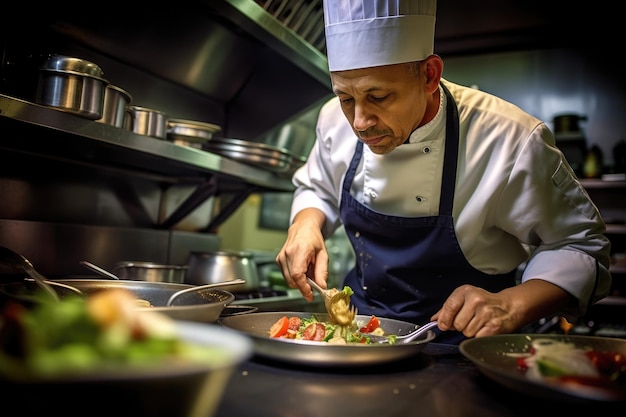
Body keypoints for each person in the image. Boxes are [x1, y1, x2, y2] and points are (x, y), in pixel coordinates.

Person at [275, 0, 611, 344]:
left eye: (379, 96)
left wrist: (512, 305)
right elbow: (317, 188)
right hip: (360, 335)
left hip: (468, 348)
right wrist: (306, 224)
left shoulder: (510, 139)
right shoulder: (333, 119)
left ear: (429, 75)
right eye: (346, 98)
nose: (360, 122)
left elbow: (582, 246)